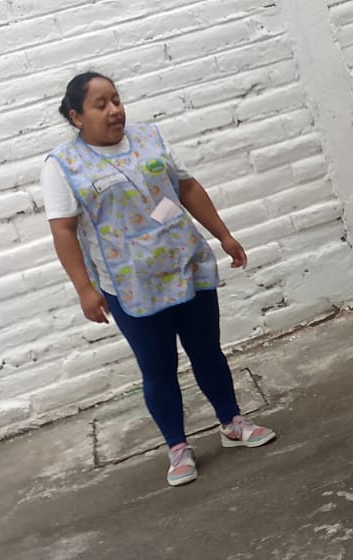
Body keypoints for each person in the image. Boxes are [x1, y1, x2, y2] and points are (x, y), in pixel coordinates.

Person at [42, 71, 276, 487]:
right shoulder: (63, 166)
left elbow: (186, 188)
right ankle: (177, 447)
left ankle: (232, 422)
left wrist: (223, 235)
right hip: (129, 284)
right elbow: (63, 230)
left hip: (185, 264)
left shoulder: (150, 138)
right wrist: (84, 289)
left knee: (207, 352)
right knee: (158, 368)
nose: (114, 110)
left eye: (116, 100)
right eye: (101, 105)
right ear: (77, 117)